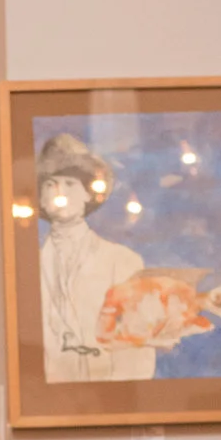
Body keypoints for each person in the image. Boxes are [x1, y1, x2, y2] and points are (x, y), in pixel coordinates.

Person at [34, 132, 150, 383]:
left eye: (70, 184)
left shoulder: (122, 261)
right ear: (41, 199)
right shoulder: (25, 268)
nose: (60, 193)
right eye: (50, 185)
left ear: (88, 194)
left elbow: (138, 346)